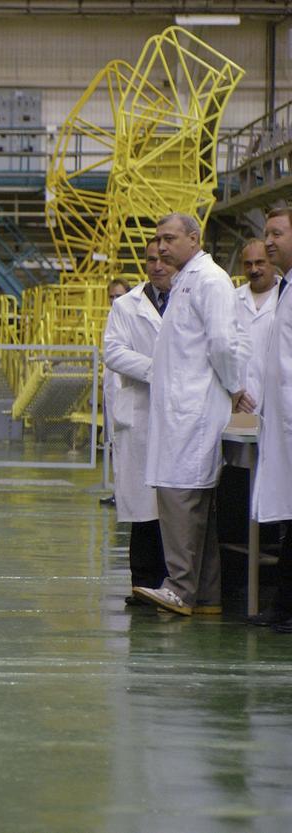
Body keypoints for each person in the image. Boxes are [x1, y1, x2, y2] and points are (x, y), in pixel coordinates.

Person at [134, 213, 250, 616]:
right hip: (181, 411)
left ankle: (180, 589)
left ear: (193, 238)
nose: (161, 247)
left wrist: (236, 388)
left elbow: (223, 343)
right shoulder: (187, 280)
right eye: (157, 240)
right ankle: (205, 596)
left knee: (182, 500)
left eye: (169, 239)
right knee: (193, 506)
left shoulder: (210, 280)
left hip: (193, 412)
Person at [103, 241, 174, 606]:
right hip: (143, 414)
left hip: (181, 416)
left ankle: (174, 582)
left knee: (176, 507)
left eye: (163, 258)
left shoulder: (191, 299)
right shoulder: (126, 306)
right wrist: (158, 370)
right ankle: (142, 584)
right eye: (150, 259)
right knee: (144, 510)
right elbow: (113, 352)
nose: (157, 265)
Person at [247, 209, 292, 630]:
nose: (270, 241)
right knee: (286, 520)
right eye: (266, 234)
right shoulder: (286, 288)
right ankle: (283, 608)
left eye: (277, 233)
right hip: (280, 424)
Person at [100, 278, 133, 506]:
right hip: (112, 392)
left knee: (124, 445)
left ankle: (124, 493)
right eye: (112, 296)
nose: (115, 300)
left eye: (119, 296)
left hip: (125, 393)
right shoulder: (111, 319)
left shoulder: (130, 320)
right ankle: (118, 491)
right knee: (114, 443)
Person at [236, 238, 280, 406]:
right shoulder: (232, 299)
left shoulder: (286, 298)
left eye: (260, 263)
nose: (253, 270)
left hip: (279, 400)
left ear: (272, 262)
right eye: (248, 264)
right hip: (239, 401)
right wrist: (233, 389)